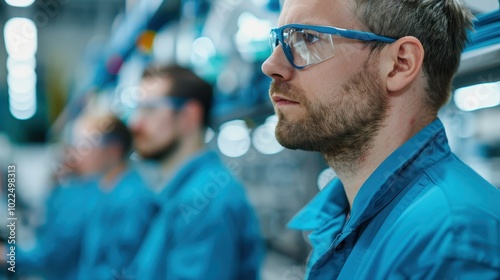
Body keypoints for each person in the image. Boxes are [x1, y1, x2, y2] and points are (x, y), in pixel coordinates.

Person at [261, 0, 500, 279]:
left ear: (399, 65)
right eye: (279, 41)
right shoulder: (339, 220)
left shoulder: (452, 243)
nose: (270, 65)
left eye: (307, 38)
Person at [128, 64, 264, 280]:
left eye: (150, 109)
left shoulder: (205, 200)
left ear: (188, 116)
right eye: (136, 110)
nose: (135, 124)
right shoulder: (178, 195)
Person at [73, 113, 159, 280]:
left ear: (113, 149)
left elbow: (122, 269)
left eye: (85, 146)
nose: (78, 154)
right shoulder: (103, 190)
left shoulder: (133, 200)